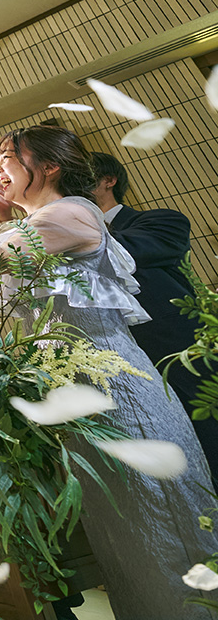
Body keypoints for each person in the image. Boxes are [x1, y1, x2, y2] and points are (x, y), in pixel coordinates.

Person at [0, 132, 214, 619]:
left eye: (6, 158)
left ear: (50, 166)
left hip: (116, 389)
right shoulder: (33, 224)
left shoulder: (72, 213)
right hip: (74, 395)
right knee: (121, 527)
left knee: (158, 511)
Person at [89, 151, 217, 486]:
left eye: (82, 177)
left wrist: (63, 223)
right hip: (122, 368)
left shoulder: (163, 221)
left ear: (108, 180)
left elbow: (114, 253)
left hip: (181, 357)